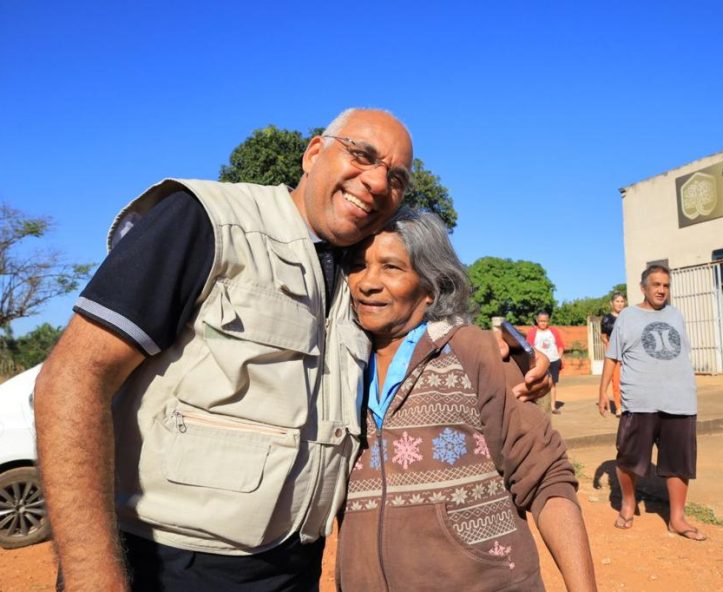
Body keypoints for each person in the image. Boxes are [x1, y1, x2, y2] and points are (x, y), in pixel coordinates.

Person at [33, 109, 550, 592]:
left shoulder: (351, 277)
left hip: (293, 568)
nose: (376, 182)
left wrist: (518, 354)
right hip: (168, 564)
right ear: (313, 154)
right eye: (362, 155)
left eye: (396, 178)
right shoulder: (210, 221)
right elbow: (72, 380)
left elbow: (423, 328)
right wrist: (93, 580)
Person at [336, 209, 597, 591]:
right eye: (358, 265)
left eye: (391, 267)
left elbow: (545, 477)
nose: (367, 283)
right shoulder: (339, 365)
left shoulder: (475, 351)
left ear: (430, 287)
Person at [597, 264, 705, 541]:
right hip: (640, 399)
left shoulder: (676, 315)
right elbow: (612, 356)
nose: (661, 290)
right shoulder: (628, 316)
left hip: (679, 399)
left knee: (679, 461)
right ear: (643, 287)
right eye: (656, 284)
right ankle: (628, 502)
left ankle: (677, 518)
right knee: (629, 457)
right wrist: (603, 391)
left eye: (666, 286)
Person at [527, 311, 565, 414]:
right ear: (537, 321)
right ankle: (537, 407)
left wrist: (559, 357)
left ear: (548, 321)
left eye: (545, 321)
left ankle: (553, 407)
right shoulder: (533, 332)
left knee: (552, 384)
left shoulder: (553, 331)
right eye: (541, 321)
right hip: (540, 363)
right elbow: (528, 348)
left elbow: (560, 345)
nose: (543, 323)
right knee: (539, 384)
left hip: (553, 361)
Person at [600, 292, 627, 417]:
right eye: (617, 301)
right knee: (616, 380)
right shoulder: (607, 319)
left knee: (628, 379)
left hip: (627, 352)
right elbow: (603, 336)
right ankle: (619, 407)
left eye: (622, 301)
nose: (620, 304)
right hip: (614, 353)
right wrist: (610, 346)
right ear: (612, 303)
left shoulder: (628, 316)